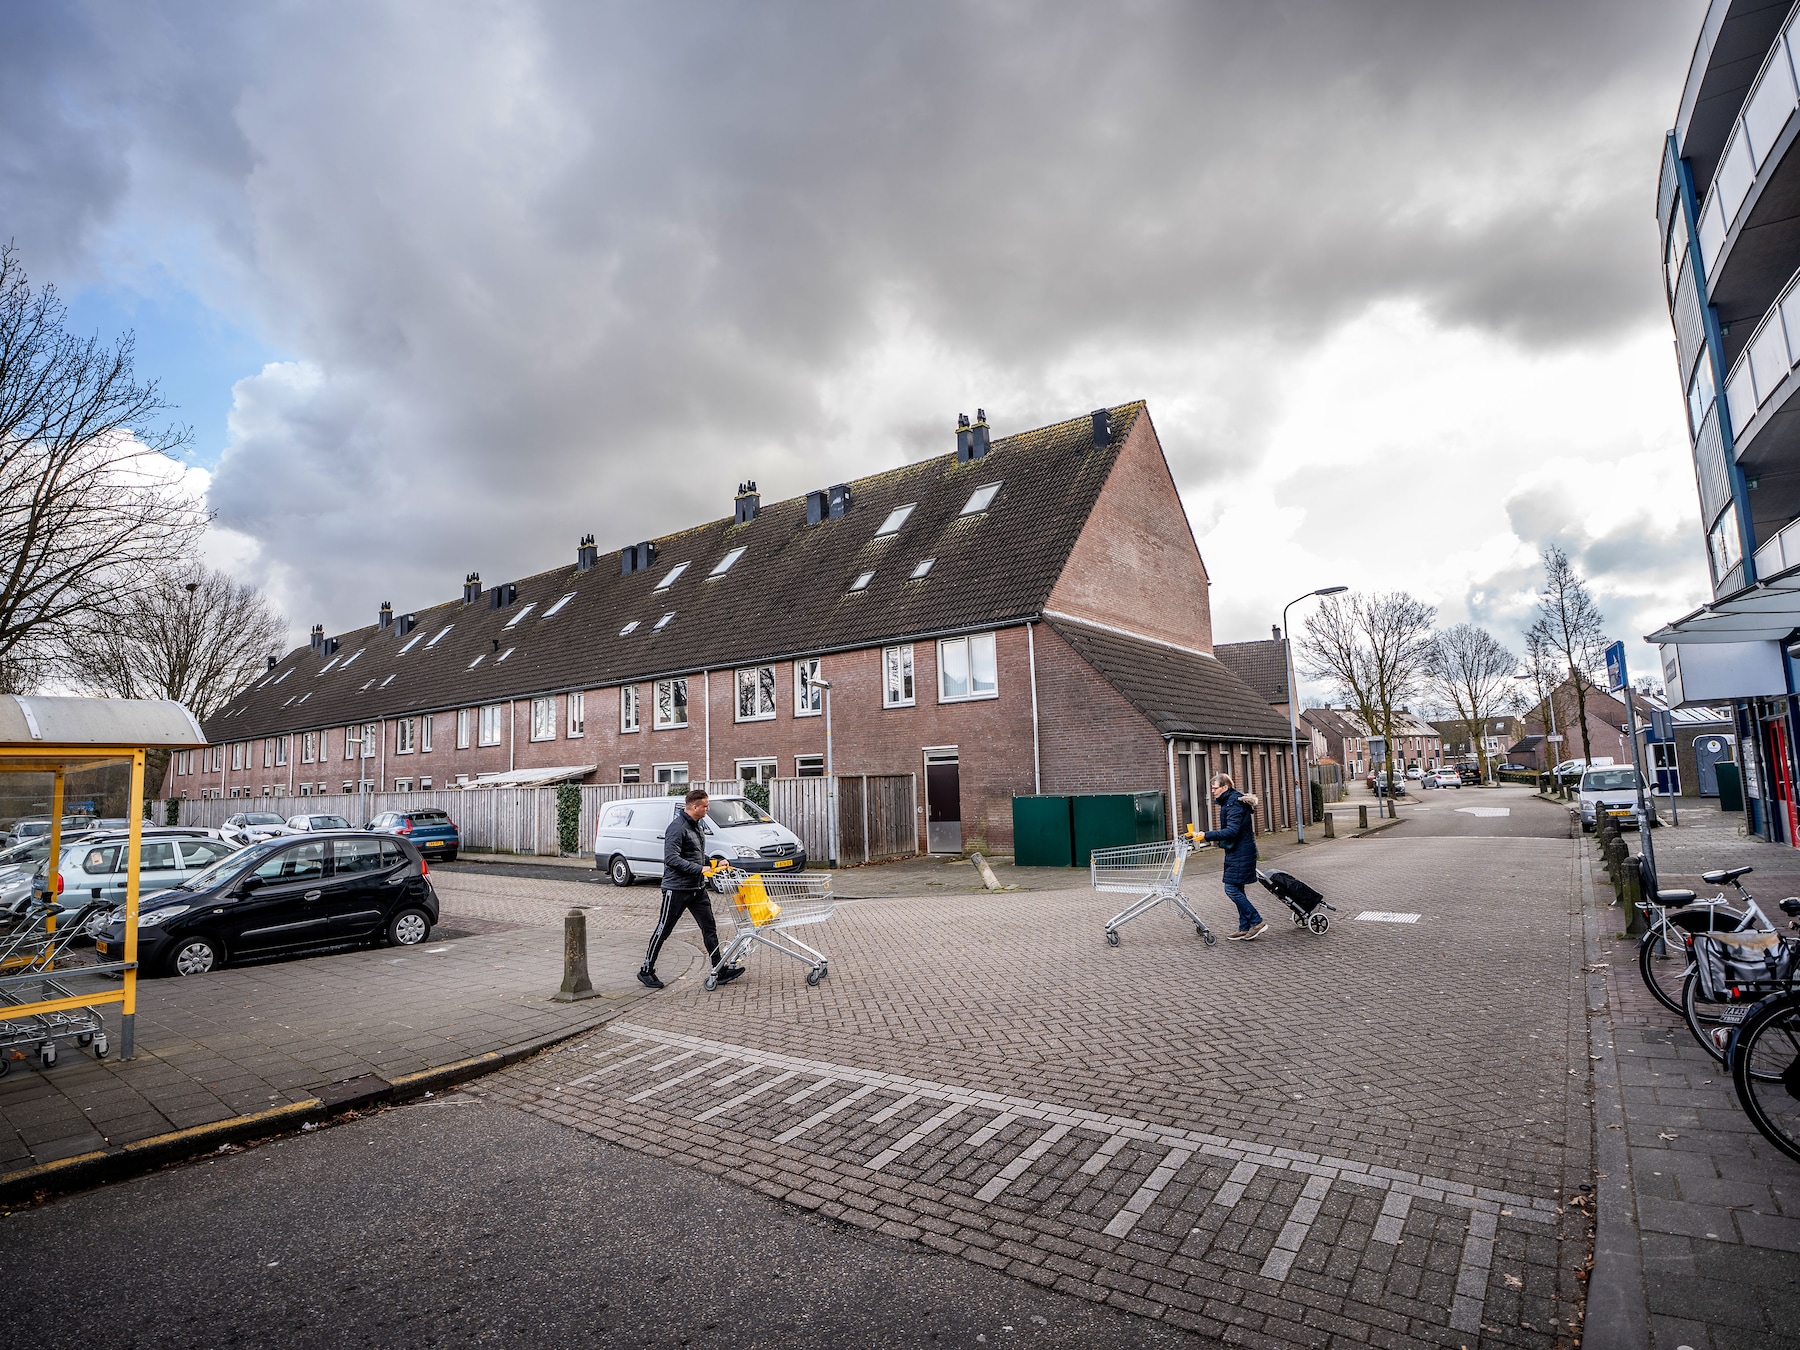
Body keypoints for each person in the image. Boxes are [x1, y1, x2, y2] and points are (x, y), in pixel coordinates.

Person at [638, 788, 744, 989]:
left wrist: (714, 862)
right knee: (664, 929)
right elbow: (671, 858)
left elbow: (694, 854)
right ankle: (646, 970)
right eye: (705, 806)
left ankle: (718, 969)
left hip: (697, 888)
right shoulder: (676, 828)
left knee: (709, 928)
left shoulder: (696, 826)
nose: (707, 809)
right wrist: (700, 868)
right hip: (676, 889)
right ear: (694, 807)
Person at [1201, 772, 1266, 941]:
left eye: (1215, 788)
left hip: (1241, 851)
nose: (1213, 792)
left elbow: (1232, 831)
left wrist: (1205, 835)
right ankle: (1244, 927)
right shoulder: (1230, 802)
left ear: (1225, 787)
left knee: (1230, 889)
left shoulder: (1233, 805)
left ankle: (1256, 921)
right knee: (1237, 889)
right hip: (1238, 851)